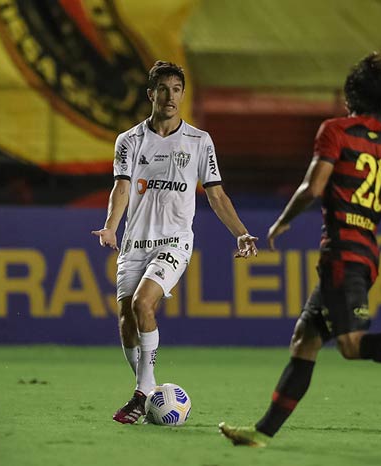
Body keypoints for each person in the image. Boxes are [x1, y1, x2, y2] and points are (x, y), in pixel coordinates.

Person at [219, 52, 381, 447]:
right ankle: (261, 432)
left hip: (343, 253)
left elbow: (314, 187)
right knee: (306, 338)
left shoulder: (335, 130)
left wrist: (283, 219)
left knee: (351, 345)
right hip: (366, 251)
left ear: (349, 95)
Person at [92, 61, 258, 424]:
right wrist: (110, 227)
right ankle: (148, 389)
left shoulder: (199, 141)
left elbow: (216, 196)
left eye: (177, 89)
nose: (170, 96)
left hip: (174, 242)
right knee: (126, 319)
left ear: (183, 94)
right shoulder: (130, 140)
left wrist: (241, 232)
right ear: (151, 94)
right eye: (163, 89)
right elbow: (121, 187)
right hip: (135, 243)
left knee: (143, 304)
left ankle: (141, 393)